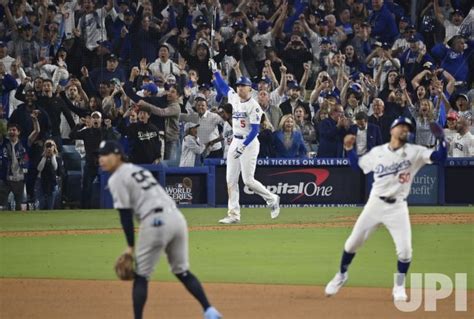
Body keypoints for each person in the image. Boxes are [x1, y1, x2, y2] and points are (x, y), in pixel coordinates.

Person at [325, 117, 447, 301]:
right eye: (401, 126)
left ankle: (399, 286)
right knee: (352, 243)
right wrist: (349, 150)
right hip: (375, 203)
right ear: (392, 129)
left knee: (405, 251)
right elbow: (357, 167)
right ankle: (341, 275)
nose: (405, 130)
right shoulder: (378, 152)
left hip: (397, 206)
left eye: (408, 128)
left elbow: (440, 158)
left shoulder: (415, 152)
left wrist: (443, 141)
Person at [97, 140, 222, 319]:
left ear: (117, 156)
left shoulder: (117, 178)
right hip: (177, 219)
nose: (101, 159)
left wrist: (130, 247)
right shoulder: (137, 169)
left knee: (141, 276)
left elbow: (125, 215)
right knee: (182, 272)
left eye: (105, 155)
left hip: (155, 221)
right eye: (100, 156)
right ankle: (210, 311)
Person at [212, 60, 280, 224]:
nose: (240, 88)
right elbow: (222, 87)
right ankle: (234, 215)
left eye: (243, 86)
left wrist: (242, 146)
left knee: (248, 180)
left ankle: (272, 199)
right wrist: (215, 71)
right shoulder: (234, 98)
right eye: (238, 85)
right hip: (236, 140)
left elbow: (255, 130)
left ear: (250, 89)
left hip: (249, 143)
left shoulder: (254, 106)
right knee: (231, 180)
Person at [69, 111, 120, 208]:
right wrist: (79, 125)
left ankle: (108, 206)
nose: (96, 119)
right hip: (90, 163)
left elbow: (114, 139)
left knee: (108, 186)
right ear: (91, 120)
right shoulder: (86, 131)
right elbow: (71, 135)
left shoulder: (105, 131)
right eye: (94, 118)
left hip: (104, 164)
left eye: (97, 118)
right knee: (86, 187)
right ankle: (85, 209)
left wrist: (109, 128)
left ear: (101, 120)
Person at [0, 123, 28, 210]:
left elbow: (36, 132)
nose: (12, 132)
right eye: (10, 130)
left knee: (19, 206)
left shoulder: (23, 143)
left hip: (19, 179)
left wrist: (35, 121)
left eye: (14, 130)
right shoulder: (4, 143)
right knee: (3, 205)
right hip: (6, 179)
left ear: (18, 132)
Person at [36, 139, 62, 210]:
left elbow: (55, 167)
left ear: (54, 147)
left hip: (52, 182)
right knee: (41, 203)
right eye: (47, 146)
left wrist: (52, 156)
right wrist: (45, 156)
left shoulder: (57, 158)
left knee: (51, 204)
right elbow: (39, 168)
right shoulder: (41, 157)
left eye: (51, 146)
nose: (49, 148)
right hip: (42, 181)